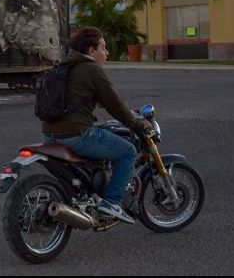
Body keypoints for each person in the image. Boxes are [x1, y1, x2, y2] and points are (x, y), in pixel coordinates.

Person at [42, 26, 153, 224]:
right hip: (76, 135)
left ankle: (89, 192)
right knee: (127, 151)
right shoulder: (91, 68)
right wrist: (137, 123)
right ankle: (111, 203)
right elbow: (115, 105)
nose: (107, 52)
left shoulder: (64, 66)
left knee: (102, 132)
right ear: (91, 51)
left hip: (50, 135)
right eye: (103, 47)